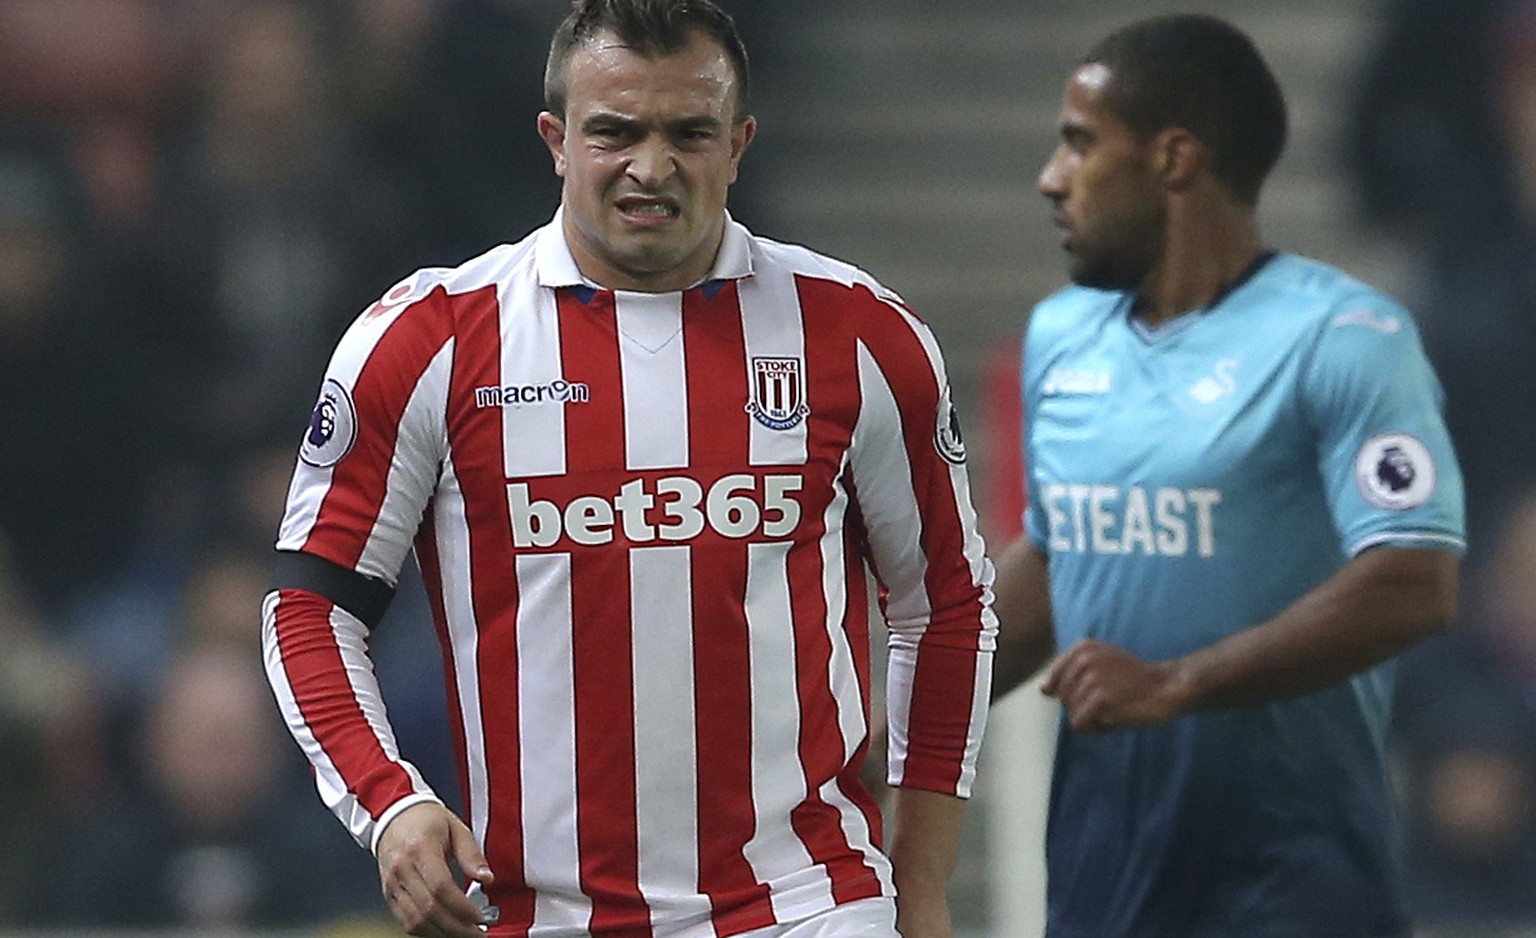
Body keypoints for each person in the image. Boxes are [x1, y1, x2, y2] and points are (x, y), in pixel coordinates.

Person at [259, 2, 997, 937]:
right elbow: (309, 608)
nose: (652, 166)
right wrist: (389, 803)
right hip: (536, 913)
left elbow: (947, 607)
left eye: (689, 133)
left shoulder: (860, 336)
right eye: (616, 132)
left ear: (740, 144)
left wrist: (922, 885)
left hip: (808, 907)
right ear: (556, 140)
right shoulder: (427, 341)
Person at [989, 14, 1465, 937]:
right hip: (1101, 882)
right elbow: (1058, 557)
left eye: (1081, 144)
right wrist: (882, 738)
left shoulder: (1345, 338)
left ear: (1173, 159)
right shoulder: (1061, 337)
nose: (1052, 177)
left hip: (1290, 885)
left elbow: (1414, 580)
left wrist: (1178, 682)